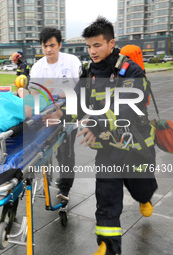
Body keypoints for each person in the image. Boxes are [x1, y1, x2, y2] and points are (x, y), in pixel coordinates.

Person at [44, 17, 157, 255]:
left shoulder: (130, 70)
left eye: (97, 45)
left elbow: (129, 105)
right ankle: (107, 246)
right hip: (108, 148)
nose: (92, 51)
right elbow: (77, 101)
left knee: (141, 187)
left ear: (111, 43)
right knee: (106, 197)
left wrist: (96, 123)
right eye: (88, 46)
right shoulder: (90, 73)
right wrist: (59, 113)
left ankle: (145, 198)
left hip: (135, 146)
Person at [29, 26, 82, 202]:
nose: (48, 49)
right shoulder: (37, 68)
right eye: (45, 46)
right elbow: (35, 94)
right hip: (46, 112)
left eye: (52, 45)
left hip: (68, 112)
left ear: (60, 44)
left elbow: (77, 91)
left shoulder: (72, 62)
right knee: (41, 149)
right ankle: (46, 178)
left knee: (65, 152)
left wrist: (57, 94)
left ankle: (64, 188)